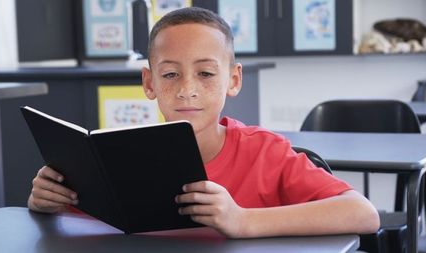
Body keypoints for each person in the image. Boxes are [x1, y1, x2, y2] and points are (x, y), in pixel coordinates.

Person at [28, 7, 379, 238]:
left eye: (206, 73)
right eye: (170, 74)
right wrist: (46, 202)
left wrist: (243, 220)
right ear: (149, 83)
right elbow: (73, 230)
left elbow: (362, 213)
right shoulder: (115, 157)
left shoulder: (264, 152)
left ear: (234, 80)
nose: (187, 91)